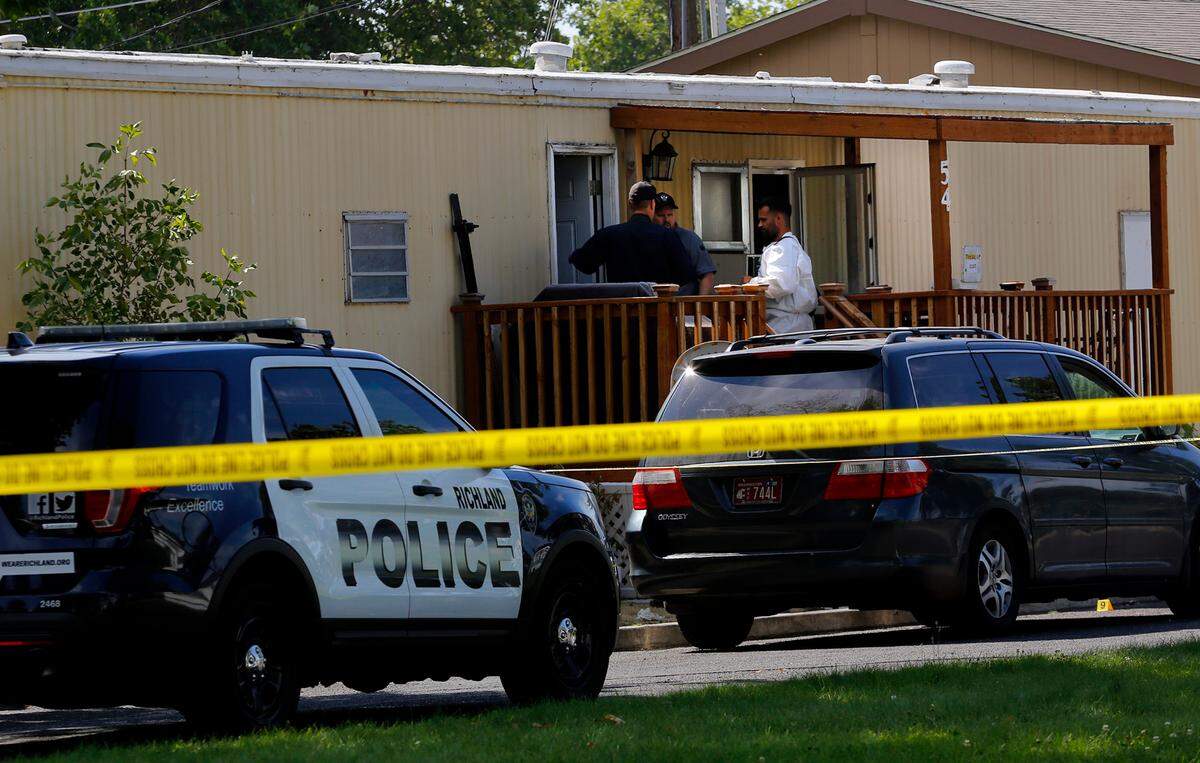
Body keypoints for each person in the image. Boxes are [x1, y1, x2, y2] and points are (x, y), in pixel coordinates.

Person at [568, 182, 696, 287]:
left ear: (630, 204)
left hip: (621, 311)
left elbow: (584, 263)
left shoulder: (609, 234)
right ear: (652, 204)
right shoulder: (667, 236)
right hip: (658, 310)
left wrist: (572, 255)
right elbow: (686, 275)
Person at [746, 197, 818, 334]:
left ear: (778, 219)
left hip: (785, 327)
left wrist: (750, 283)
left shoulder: (784, 247)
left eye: (763, 220)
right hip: (787, 325)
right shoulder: (787, 245)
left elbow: (782, 283)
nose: (759, 225)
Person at [654, 192, 716, 296]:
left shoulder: (689, 239)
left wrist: (700, 304)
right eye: (661, 215)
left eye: (670, 215)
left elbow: (707, 274)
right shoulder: (649, 239)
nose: (666, 220)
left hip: (686, 300)